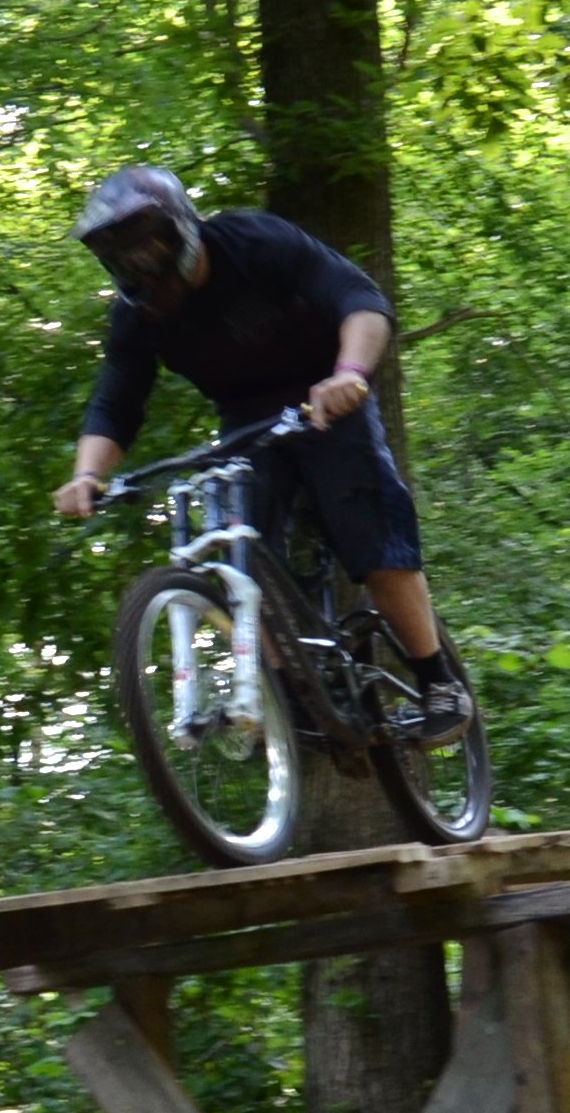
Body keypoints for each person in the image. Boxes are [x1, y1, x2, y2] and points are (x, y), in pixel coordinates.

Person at [52, 164, 465, 735]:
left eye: (147, 249)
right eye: (124, 258)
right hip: (245, 421)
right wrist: (86, 476)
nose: (140, 265)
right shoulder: (136, 316)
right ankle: (293, 700)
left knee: (372, 532)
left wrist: (349, 374)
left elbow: (360, 300)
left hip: (326, 396)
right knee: (236, 555)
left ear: (180, 229)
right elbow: (115, 401)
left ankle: (438, 681)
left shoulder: (254, 241)